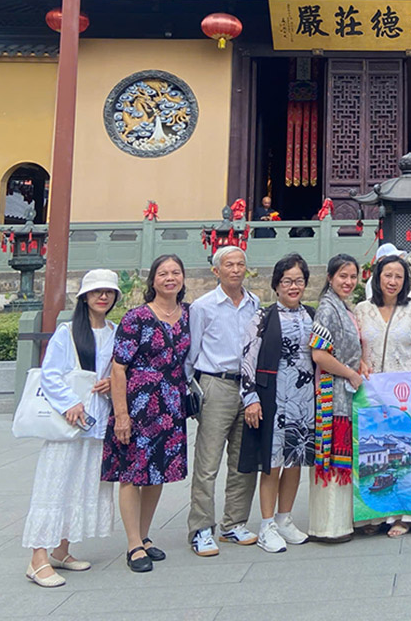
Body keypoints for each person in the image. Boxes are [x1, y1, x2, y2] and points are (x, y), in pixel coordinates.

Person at [23, 269, 120, 588]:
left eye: (108, 292)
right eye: (96, 291)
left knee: (81, 485)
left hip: (98, 422)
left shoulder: (115, 331)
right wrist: (69, 403)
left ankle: (61, 550)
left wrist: (112, 383)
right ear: (84, 297)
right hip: (70, 421)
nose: (103, 296)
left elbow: (119, 371)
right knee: (55, 485)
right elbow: (50, 373)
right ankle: (37, 559)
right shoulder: (67, 332)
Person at [103, 254, 190, 572]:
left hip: (171, 407)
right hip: (139, 406)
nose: (170, 278)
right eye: (163, 273)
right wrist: (121, 415)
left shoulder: (188, 315)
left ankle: (144, 535)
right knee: (132, 473)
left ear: (183, 278)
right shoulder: (136, 317)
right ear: (153, 280)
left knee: (158, 473)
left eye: (176, 272)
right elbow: (118, 368)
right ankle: (132, 545)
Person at [238, 254, 316, 553]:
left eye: (299, 281)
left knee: (295, 460)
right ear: (276, 285)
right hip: (273, 397)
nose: (293, 287)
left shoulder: (312, 315)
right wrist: (250, 398)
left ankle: (285, 518)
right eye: (287, 281)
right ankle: (267, 525)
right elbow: (247, 359)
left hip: (304, 398)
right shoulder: (263, 317)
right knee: (271, 464)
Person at [187, 246, 261, 557]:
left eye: (240, 264)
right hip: (215, 383)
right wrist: (192, 391)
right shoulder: (203, 306)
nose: (235, 270)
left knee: (243, 460)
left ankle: (234, 522)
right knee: (208, 462)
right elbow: (191, 352)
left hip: (247, 387)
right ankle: (201, 528)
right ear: (216, 271)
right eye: (229, 265)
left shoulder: (255, 303)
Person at [355, 255, 411, 537]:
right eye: (388, 275)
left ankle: (405, 514)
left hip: (405, 391)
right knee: (372, 452)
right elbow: (354, 346)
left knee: (404, 452)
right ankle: (376, 514)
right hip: (372, 391)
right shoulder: (362, 310)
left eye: (399, 276)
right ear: (377, 277)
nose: (393, 281)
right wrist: (359, 363)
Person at [307, 254, 364, 543]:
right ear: (330, 278)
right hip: (334, 390)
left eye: (353, 277)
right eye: (343, 276)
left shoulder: (343, 307)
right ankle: (329, 525)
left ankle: (340, 521)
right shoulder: (328, 309)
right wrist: (351, 373)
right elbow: (319, 354)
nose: (348, 282)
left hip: (345, 390)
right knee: (332, 457)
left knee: (343, 455)